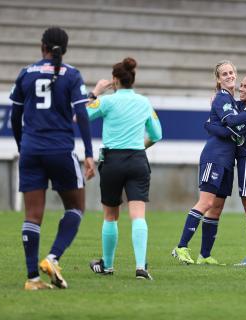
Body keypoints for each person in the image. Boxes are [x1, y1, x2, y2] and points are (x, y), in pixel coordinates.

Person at [10, 27, 95, 290]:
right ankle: (52, 257)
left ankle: (32, 278)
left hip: (31, 150)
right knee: (76, 207)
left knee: (33, 215)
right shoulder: (71, 74)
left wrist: (22, 146)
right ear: (65, 48)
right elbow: (81, 115)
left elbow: (15, 116)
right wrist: (89, 154)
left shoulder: (26, 73)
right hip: (60, 150)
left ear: (42, 46)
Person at [171, 60, 246, 265]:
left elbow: (232, 126)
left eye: (232, 72)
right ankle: (181, 247)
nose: (230, 76)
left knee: (216, 208)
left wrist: (212, 125)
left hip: (227, 161)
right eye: (224, 74)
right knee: (205, 202)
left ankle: (205, 255)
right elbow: (231, 125)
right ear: (218, 79)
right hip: (214, 158)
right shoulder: (222, 98)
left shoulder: (233, 102)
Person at [87, 57, 162, 280]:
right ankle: (141, 267)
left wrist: (95, 92)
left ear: (114, 80)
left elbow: (81, 115)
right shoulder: (144, 102)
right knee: (138, 215)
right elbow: (157, 134)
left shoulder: (108, 101)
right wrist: (140, 148)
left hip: (113, 161)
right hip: (137, 159)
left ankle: (107, 265)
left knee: (110, 215)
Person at [204, 73, 246, 266]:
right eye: (241, 85)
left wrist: (209, 125)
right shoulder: (244, 106)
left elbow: (232, 123)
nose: (241, 89)